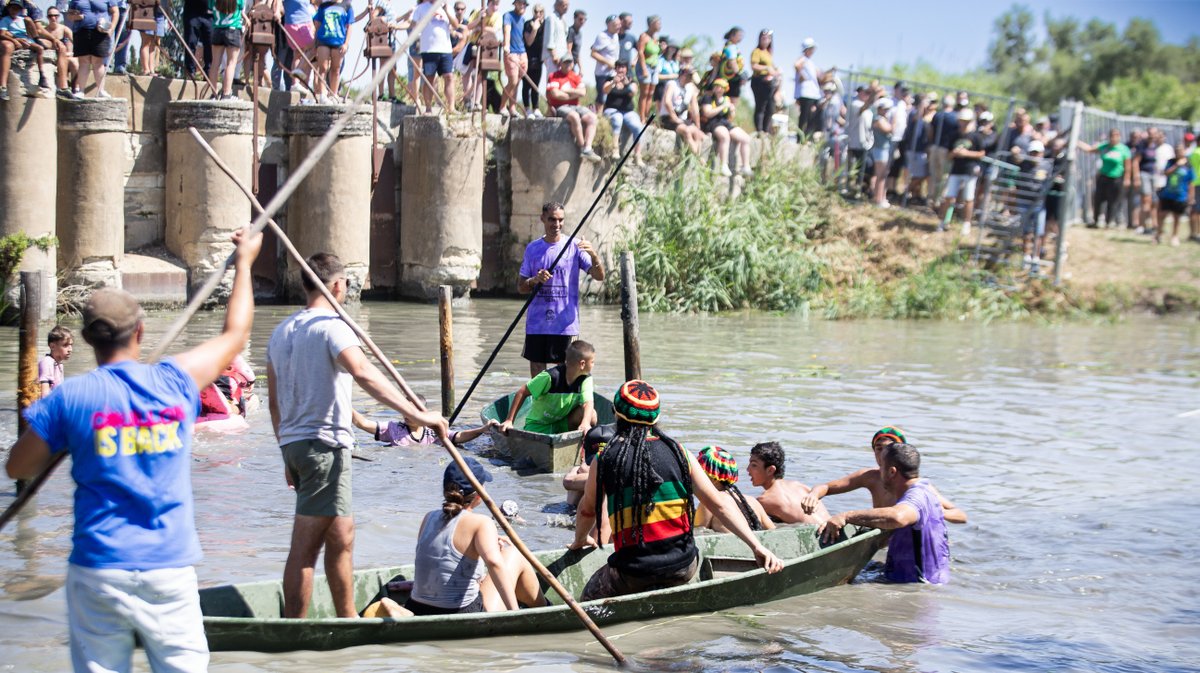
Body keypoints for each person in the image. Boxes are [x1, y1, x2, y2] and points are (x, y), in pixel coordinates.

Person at [6, 229, 262, 673]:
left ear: (86, 339)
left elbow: (17, 467)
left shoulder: (70, 399)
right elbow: (236, 335)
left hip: (98, 568)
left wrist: (67, 436)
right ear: (140, 331)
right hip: (169, 567)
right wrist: (244, 264)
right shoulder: (175, 380)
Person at [267, 252, 449, 619]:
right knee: (305, 549)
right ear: (336, 285)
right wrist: (418, 415)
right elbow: (364, 373)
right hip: (323, 447)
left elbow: (274, 402)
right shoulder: (333, 326)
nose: (348, 288)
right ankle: (294, 632)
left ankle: (348, 620)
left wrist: (285, 452)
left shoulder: (281, 330)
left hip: (298, 444)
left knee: (342, 537)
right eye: (347, 283)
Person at [569, 380, 784, 599]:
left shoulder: (604, 458)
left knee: (589, 594)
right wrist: (756, 547)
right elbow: (719, 504)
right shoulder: (680, 453)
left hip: (634, 573)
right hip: (684, 568)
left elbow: (587, 510)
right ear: (656, 418)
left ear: (616, 414)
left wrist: (580, 540)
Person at [404, 458, 545, 615]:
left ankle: (536, 606)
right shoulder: (482, 523)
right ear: (479, 495)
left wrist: (487, 540)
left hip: (417, 607)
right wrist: (515, 613)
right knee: (513, 553)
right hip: (460, 612)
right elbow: (494, 564)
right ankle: (543, 608)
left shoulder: (428, 517)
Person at [819, 443, 952, 584]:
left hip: (917, 584)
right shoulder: (926, 489)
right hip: (926, 579)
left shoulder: (916, 497)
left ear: (892, 472)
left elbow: (897, 517)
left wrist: (846, 516)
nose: (878, 470)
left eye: (881, 466)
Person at [801, 427, 967, 523]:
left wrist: (932, 512)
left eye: (889, 448)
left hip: (902, 533)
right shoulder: (870, 476)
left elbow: (960, 515)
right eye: (878, 448)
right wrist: (814, 494)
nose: (882, 454)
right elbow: (827, 487)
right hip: (883, 532)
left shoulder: (916, 486)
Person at [518, 201, 605, 376]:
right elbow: (521, 287)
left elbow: (599, 276)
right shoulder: (533, 249)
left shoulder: (574, 246)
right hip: (537, 324)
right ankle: (540, 402)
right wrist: (535, 280)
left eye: (560, 220)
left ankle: (563, 402)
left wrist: (593, 255)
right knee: (537, 373)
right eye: (551, 219)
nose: (556, 225)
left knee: (565, 372)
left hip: (565, 325)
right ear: (542, 219)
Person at [500, 339, 596, 436]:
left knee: (592, 415)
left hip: (562, 423)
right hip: (539, 426)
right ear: (582, 364)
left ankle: (578, 440)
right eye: (592, 362)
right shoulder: (550, 377)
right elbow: (522, 392)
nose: (593, 365)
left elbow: (588, 402)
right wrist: (509, 420)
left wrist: (585, 423)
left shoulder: (586, 378)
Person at [693, 446, 775, 534]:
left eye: (698, 473)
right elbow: (773, 531)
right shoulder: (752, 501)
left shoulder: (709, 502)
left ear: (714, 478)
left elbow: (697, 535)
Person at [746, 441, 829, 525]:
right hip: (833, 528)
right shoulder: (798, 485)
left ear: (770, 470)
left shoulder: (764, 500)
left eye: (754, 465)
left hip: (817, 535)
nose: (748, 469)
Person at [352, 404, 497, 447]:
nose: (406, 415)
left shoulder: (433, 432)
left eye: (411, 412)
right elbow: (362, 423)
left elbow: (458, 436)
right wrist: (343, 403)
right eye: (404, 411)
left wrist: (482, 429)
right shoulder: (393, 429)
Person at [937, 108, 985, 235]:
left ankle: (966, 223)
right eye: (962, 121)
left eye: (966, 121)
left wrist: (967, 153)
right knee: (949, 196)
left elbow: (981, 153)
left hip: (970, 170)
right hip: (955, 169)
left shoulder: (976, 136)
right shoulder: (954, 135)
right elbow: (947, 155)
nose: (964, 123)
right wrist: (954, 153)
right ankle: (942, 222)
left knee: (968, 198)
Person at [545, 53, 601, 162]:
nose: (568, 64)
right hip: (559, 106)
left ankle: (588, 147)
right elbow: (555, 94)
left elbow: (583, 92)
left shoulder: (575, 77)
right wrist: (573, 94)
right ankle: (582, 147)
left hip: (575, 105)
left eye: (570, 62)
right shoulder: (554, 76)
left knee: (592, 118)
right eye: (565, 62)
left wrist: (566, 91)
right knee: (574, 117)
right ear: (561, 63)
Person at [1078, 128, 1131, 229]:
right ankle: (1095, 220)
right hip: (1103, 177)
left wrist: (1127, 179)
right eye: (1112, 135)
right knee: (1098, 199)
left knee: (1113, 200)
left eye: (1116, 135)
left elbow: (1128, 166)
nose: (1114, 138)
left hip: (1116, 178)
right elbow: (1089, 149)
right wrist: (1077, 141)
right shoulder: (1104, 146)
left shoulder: (1124, 149)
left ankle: (1109, 221)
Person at [0, 0, 53, 99]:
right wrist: (15, 39)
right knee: (8, 47)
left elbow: (36, 28)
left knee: (40, 48)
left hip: (25, 38)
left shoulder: (22, 19)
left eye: (16, 9)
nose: (14, 10)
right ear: (8, 9)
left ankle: (42, 75)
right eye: (12, 8)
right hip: (15, 38)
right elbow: (2, 34)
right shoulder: (5, 20)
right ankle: (3, 87)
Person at [699, 77, 751, 177]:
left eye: (721, 87)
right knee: (724, 136)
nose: (718, 89)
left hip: (725, 123)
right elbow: (708, 113)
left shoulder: (727, 100)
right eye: (716, 86)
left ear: (724, 89)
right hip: (713, 122)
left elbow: (730, 118)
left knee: (745, 138)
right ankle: (724, 165)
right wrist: (723, 107)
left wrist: (732, 110)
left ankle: (746, 166)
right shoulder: (708, 98)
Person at [412, 0, 459, 112]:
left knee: (449, 76)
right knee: (429, 79)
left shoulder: (448, 7)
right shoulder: (421, 8)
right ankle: (428, 108)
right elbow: (413, 25)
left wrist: (446, 10)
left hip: (445, 49)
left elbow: (455, 25)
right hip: (429, 50)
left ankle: (451, 107)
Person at [66, 0, 118, 98]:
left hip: (101, 32)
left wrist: (112, 28)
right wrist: (76, 17)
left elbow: (115, 11)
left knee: (98, 62)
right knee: (83, 62)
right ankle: (81, 91)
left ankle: (101, 90)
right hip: (81, 31)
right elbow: (69, 14)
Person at [601, 60, 644, 164]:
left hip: (627, 111)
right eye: (619, 67)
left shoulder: (631, 81)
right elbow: (605, 90)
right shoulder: (610, 79)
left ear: (626, 69)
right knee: (617, 119)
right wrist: (613, 83)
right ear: (615, 69)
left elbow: (634, 92)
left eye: (623, 67)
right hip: (612, 110)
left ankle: (637, 155)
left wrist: (627, 84)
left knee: (638, 127)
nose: (621, 69)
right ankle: (615, 149)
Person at [657, 65, 703, 154]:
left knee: (697, 133)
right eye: (689, 75)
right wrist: (674, 118)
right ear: (683, 75)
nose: (691, 78)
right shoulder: (672, 84)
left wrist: (698, 125)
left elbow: (694, 107)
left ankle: (696, 155)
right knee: (687, 131)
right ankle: (698, 158)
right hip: (668, 117)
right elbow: (667, 101)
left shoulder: (691, 88)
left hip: (682, 118)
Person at [311, 0, 351, 102]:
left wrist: (346, 43)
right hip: (323, 40)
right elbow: (317, 24)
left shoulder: (347, 6)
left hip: (338, 41)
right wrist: (315, 43)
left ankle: (334, 94)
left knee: (336, 69)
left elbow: (349, 26)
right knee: (323, 68)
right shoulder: (323, 6)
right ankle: (322, 94)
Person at [1155, 143, 1194, 247]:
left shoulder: (1188, 165)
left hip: (1181, 195)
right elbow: (1166, 173)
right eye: (1176, 150)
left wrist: (1191, 197)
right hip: (1167, 194)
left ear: (1184, 151)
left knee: (1177, 217)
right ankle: (1159, 233)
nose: (1178, 152)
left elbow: (1191, 182)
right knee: (1162, 215)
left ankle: (1175, 236)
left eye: (1180, 150)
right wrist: (1177, 165)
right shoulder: (1171, 162)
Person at [206, 0, 244, 100]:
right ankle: (226, 94)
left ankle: (213, 94)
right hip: (233, 29)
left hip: (217, 29)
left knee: (215, 63)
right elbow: (241, 8)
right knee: (231, 63)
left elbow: (210, 11)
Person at [928, 94, 958, 209]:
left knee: (934, 174)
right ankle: (940, 200)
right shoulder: (955, 117)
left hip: (935, 147)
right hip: (946, 150)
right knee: (944, 176)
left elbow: (930, 132)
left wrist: (931, 144)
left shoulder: (937, 115)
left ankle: (931, 198)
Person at [42, 6, 78, 98]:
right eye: (50, 16)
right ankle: (63, 87)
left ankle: (75, 89)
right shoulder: (44, 31)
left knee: (75, 62)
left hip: (64, 56)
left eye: (56, 16)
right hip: (52, 57)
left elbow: (76, 43)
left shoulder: (63, 29)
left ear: (59, 16)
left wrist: (71, 53)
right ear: (47, 17)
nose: (53, 18)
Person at [749, 29, 778, 136]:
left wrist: (776, 71)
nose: (765, 40)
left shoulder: (768, 53)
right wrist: (766, 68)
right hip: (759, 81)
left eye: (768, 38)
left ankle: (766, 131)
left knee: (770, 107)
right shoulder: (757, 51)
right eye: (763, 38)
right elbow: (754, 66)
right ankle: (759, 131)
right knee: (760, 106)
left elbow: (772, 67)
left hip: (769, 84)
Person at [500, 0, 526, 116]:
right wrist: (506, 45)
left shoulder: (523, 19)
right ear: (515, 4)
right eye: (520, 3)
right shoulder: (508, 16)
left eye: (524, 4)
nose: (522, 5)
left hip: (522, 52)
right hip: (512, 52)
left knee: (518, 82)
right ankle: (502, 107)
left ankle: (512, 108)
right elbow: (507, 30)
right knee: (513, 81)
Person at [588, 13, 618, 110]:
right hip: (602, 72)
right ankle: (598, 118)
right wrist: (607, 62)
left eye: (619, 24)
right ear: (609, 25)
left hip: (612, 72)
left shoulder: (616, 36)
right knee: (602, 96)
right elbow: (593, 53)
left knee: (611, 97)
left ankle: (606, 118)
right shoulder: (602, 36)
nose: (618, 26)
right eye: (615, 25)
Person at [793, 37, 820, 140]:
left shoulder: (810, 62)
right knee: (804, 117)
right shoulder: (803, 59)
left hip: (812, 93)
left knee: (810, 117)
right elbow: (796, 65)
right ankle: (800, 138)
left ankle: (806, 137)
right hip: (806, 93)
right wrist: (801, 75)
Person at [633, 14, 659, 122]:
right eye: (657, 23)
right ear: (651, 24)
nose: (659, 25)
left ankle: (647, 117)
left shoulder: (655, 38)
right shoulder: (644, 36)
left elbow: (655, 53)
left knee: (650, 93)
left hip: (654, 67)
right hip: (645, 66)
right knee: (644, 93)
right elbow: (640, 52)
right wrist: (644, 69)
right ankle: (642, 117)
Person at [870, 97, 894, 208]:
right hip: (880, 150)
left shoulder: (880, 118)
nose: (887, 112)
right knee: (881, 175)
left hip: (882, 149)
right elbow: (889, 129)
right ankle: (878, 199)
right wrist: (895, 119)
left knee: (881, 175)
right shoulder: (878, 119)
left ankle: (880, 198)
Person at [520, 2, 543, 115]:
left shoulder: (545, 26)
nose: (538, 14)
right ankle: (527, 108)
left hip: (539, 60)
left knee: (536, 85)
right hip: (528, 58)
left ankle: (536, 108)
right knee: (526, 85)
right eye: (536, 12)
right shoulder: (528, 24)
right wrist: (534, 29)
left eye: (540, 12)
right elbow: (528, 42)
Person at [38, 325, 73, 398]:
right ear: (52, 346)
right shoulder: (47, 363)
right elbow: (44, 395)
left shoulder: (59, 365)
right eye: (65, 345)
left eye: (71, 345)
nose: (70, 349)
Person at [182, 0, 213, 81]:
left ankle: (208, 72)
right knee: (190, 42)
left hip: (209, 14)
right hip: (192, 12)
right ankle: (190, 71)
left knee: (210, 44)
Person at [714, 26, 743, 100]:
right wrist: (739, 75)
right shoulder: (731, 47)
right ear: (732, 35)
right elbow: (732, 61)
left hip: (724, 79)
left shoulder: (727, 46)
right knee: (731, 104)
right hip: (731, 80)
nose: (741, 37)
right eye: (739, 35)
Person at [540, 0, 566, 71]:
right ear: (557, 5)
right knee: (553, 80)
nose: (566, 7)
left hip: (562, 57)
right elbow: (549, 39)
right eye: (564, 5)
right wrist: (554, 55)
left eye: (567, 5)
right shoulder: (551, 18)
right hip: (552, 57)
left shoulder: (563, 20)